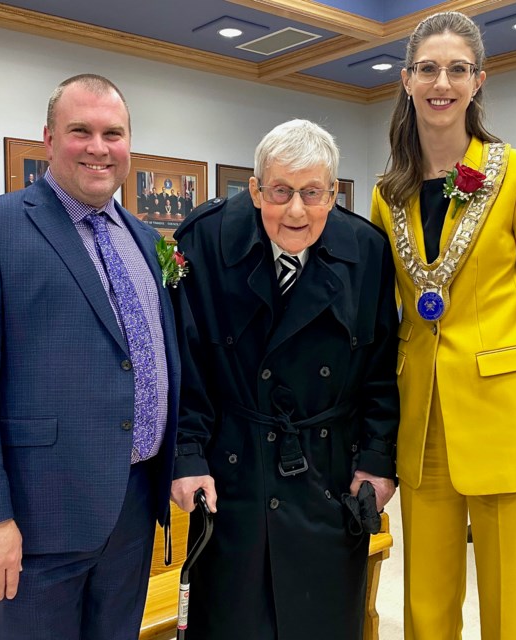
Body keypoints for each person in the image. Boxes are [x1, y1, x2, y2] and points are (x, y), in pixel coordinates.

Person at [0, 73, 179, 640]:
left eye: (113, 133)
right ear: (48, 139)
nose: (99, 147)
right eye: (80, 131)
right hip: (37, 516)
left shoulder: (146, 239)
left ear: (129, 145)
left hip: (134, 505)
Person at [369, 11, 516, 640]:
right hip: (424, 421)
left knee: (514, 611)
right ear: (407, 80)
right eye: (429, 69)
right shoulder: (390, 193)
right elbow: (388, 319)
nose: (443, 82)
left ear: (479, 80)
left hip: (512, 426)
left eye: (457, 70)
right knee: (426, 610)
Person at [171, 119, 400, 640]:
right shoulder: (204, 240)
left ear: (332, 193)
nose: (296, 210)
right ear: (255, 189)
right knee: (232, 621)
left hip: (327, 470)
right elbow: (185, 364)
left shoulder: (366, 250)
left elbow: (382, 367)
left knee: (319, 621)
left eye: (312, 192)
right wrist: (186, 456)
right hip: (233, 470)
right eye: (280, 191)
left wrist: (378, 461)